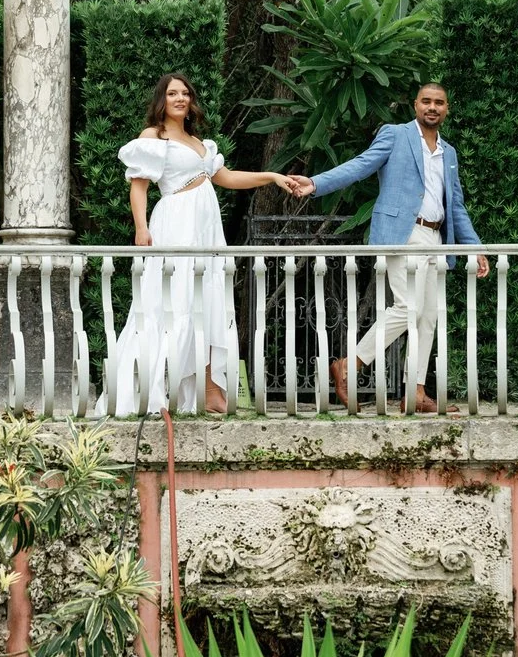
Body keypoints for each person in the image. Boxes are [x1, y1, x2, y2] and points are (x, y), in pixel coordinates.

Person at [101, 74, 293, 417]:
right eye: (172, 93)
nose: (180, 98)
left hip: (206, 227)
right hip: (175, 223)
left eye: (185, 93)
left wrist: (272, 177)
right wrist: (141, 228)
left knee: (208, 300)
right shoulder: (153, 137)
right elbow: (139, 187)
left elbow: (227, 177)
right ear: (162, 99)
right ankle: (155, 389)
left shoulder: (198, 141)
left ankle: (209, 389)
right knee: (172, 302)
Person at [292, 82, 489, 415]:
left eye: (439, 102)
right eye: (426, 101)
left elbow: (456, 205)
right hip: (403, 234)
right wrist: (315, 183)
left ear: (446, 109)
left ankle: (416, 391)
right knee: (408, 307)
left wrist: (475, 248)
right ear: (415, 105)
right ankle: (350, 364)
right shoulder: (396, 135)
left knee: (427, 317)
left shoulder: (449, 152)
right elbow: (360, 165)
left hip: (435, 239)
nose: (432, 107)